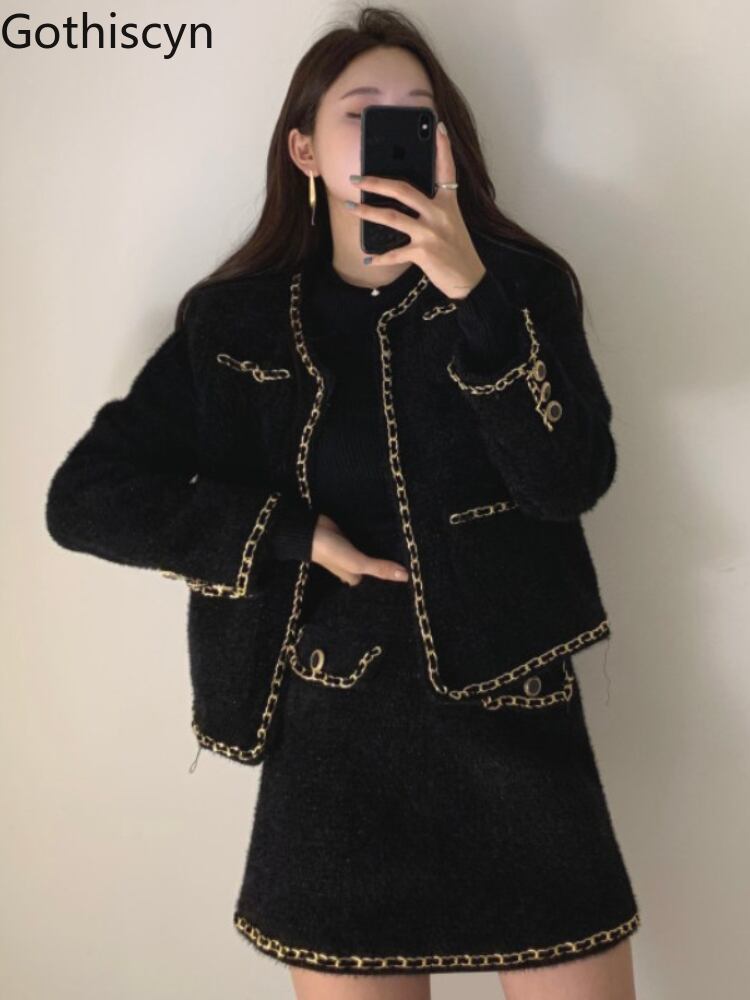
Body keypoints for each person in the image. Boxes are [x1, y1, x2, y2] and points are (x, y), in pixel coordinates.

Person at [45, 7, 640, 999]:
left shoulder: (521, 288)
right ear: (305, 150)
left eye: (418, 113)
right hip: (332, 738)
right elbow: (87, 500)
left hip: (515, 727)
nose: (393, 130)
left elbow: (567, 480)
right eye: (363, 112)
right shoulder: (234, 322)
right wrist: (288, 533)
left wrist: (475, 298)